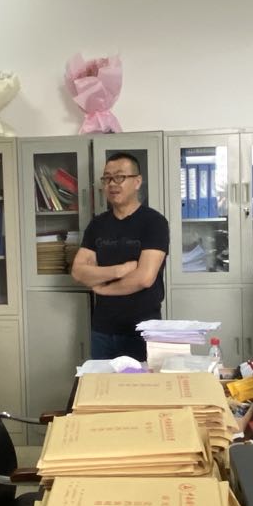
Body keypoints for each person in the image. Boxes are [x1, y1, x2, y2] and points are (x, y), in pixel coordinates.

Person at [71, 152, 170, 361]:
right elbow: (78, 272)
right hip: (102, 330)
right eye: (107, 178)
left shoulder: (154, 222)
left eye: (119, 177)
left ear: (137, 182)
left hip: (143, 330)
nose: (112, 184)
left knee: (140, 382)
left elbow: (144, 278)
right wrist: (120, 270)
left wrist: (102, 287)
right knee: (100, 381)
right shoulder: (97, 225)